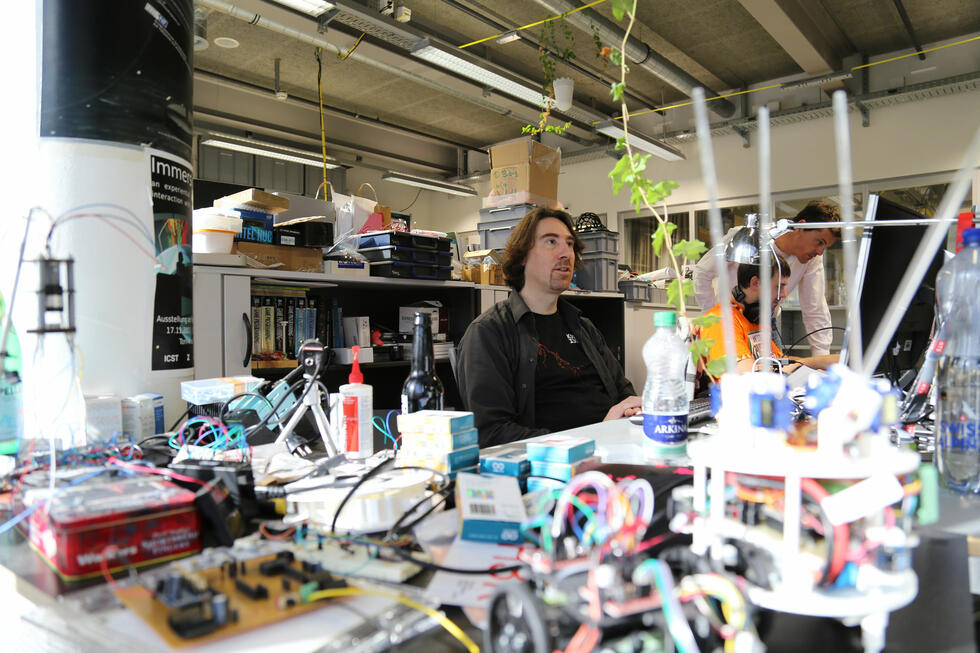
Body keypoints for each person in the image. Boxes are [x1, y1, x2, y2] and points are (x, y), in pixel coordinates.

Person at [457, 208, 640, 447]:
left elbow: (623, 392)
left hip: (614, 447)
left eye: (570, 244)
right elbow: (492, 432)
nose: (566, 253)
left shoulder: (582, 327)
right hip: (553, 467)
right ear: (522, 255)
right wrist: (591, 439)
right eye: (551, 242)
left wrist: (632, 411)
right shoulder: (489, 332)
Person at [693, 201, 841, 356]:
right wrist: (712, 319)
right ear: (801, 227)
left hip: (764, 323)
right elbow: (702, 272)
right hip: (729, 321)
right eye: (819, 242)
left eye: (825, 247)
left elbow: (815, 309)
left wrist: (821, 360)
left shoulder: (812, 260)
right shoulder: (748, 237)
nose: (820, 252)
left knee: (777, 373)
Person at [700, 258, 837, 374]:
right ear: (755, 283)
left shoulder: (754, 319)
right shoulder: (720, 321)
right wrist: (806, 363)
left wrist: (833, 362)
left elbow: (780, 362)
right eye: (779, 286)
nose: (783, 294)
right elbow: (748, 376)